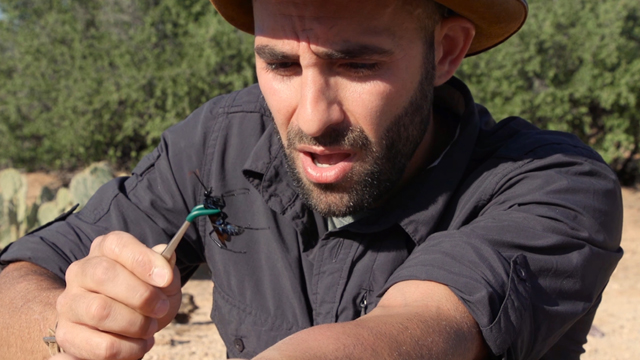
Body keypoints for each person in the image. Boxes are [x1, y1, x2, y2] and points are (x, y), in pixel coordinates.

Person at [0, 0, 623, 359]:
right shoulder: (219, 141)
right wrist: (65, 320)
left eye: (356, 64)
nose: (311, 116)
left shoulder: (551, 184)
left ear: (446, 51)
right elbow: (17, 280)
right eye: (280, 64)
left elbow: (429, 327)